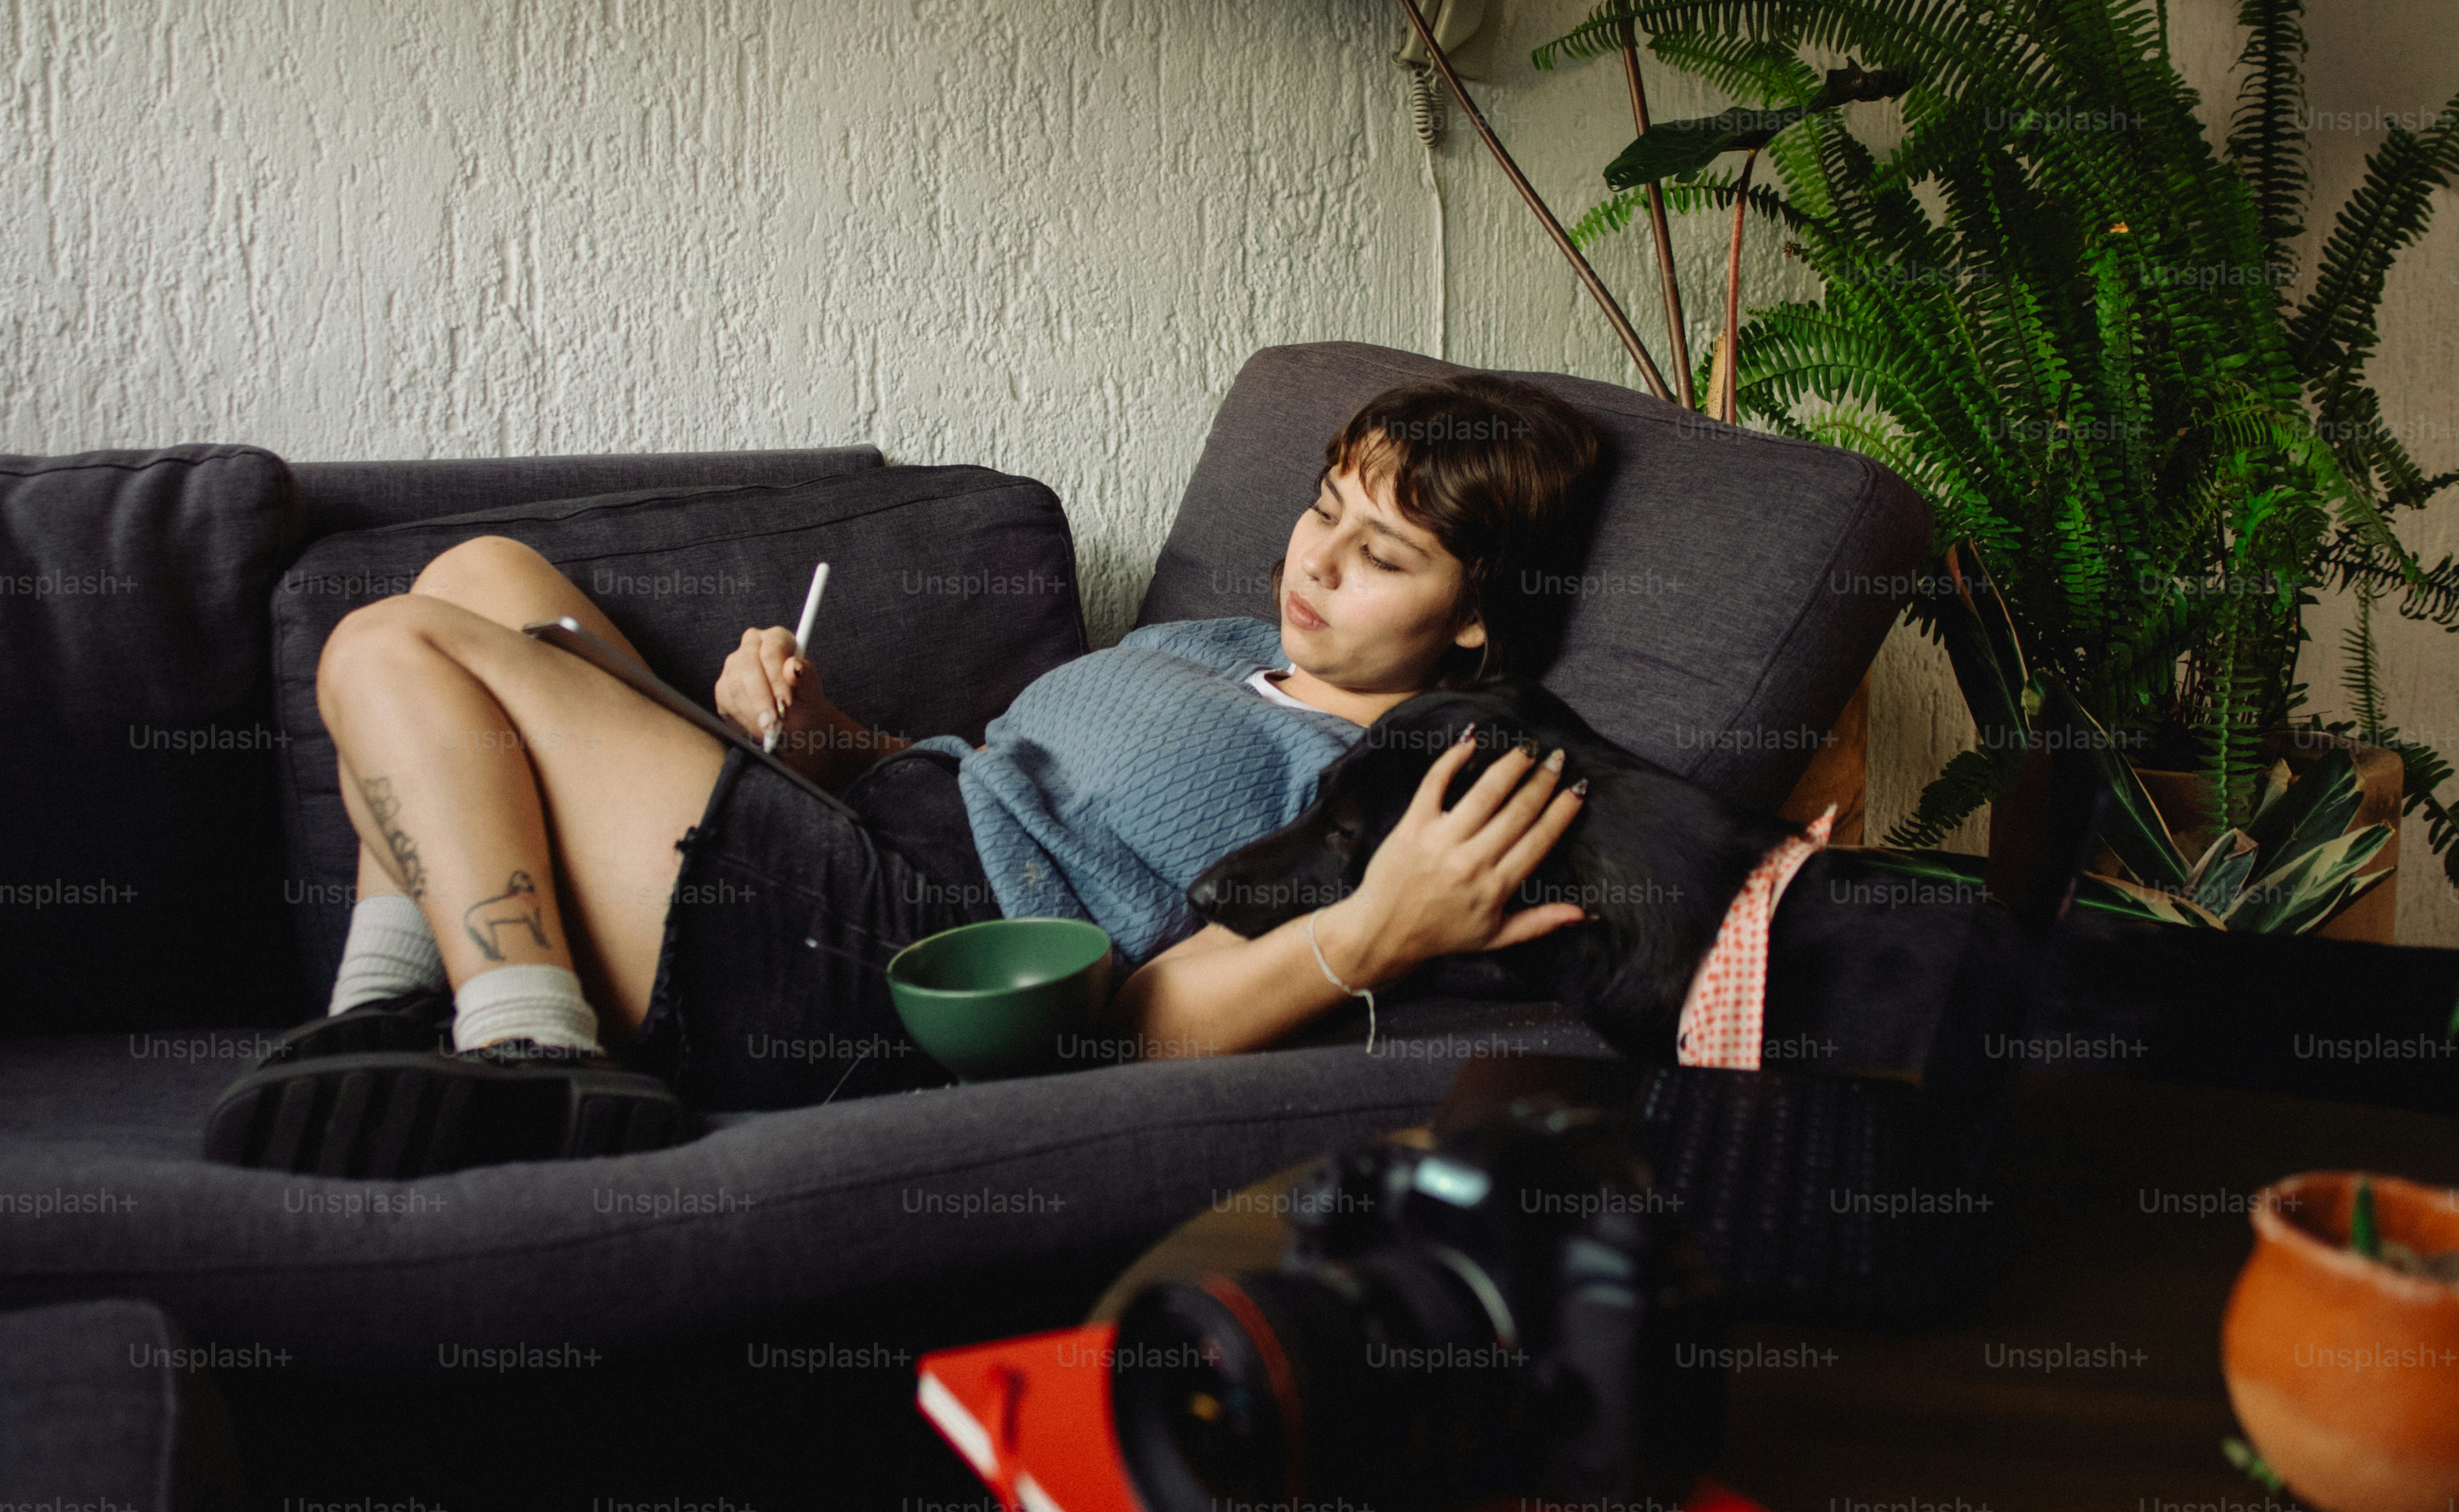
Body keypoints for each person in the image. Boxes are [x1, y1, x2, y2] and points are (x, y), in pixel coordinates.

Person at [239, 373, 1612, 1147]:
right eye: (1324, 513)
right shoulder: (1225, 642)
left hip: (905, 958)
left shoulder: (1379, 768)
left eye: (1382, 558)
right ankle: (392, 1012)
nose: (1318, 562)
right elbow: (996, 785)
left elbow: (1142, 1025)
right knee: (481, 570)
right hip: (852, 841)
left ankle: (529, 1065)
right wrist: (824, 738)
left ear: (1480, 613)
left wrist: (1375, 932)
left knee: (385, 649)